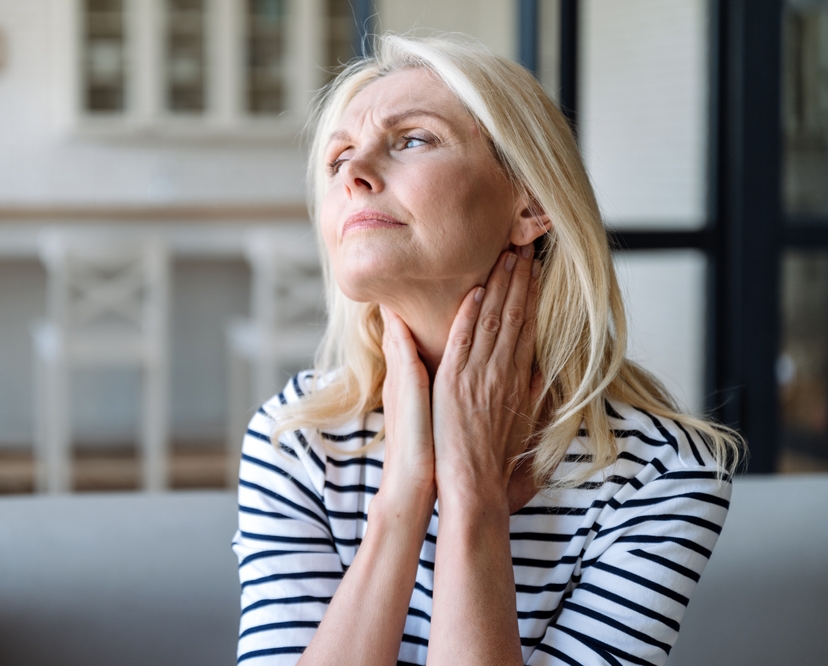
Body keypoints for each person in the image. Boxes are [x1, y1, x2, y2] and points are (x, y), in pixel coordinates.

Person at [232, 33, 742, 666]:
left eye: (412, 139)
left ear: (529, 202)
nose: (354, 174)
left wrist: (473, 494)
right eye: (337, 160)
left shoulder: (662, 474)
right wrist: (403, 499)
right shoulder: (296, 440)